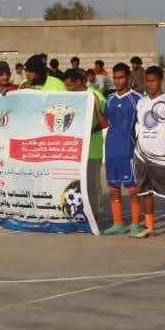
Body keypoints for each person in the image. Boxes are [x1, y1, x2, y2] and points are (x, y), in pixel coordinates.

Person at [132, 66, 165, 239]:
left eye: (153, 81)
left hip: (160, 156)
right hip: (141, 154)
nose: (150, 84)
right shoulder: (141, 102)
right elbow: (141, 126)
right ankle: (149, 226)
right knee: (145, 191)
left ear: (160, 81)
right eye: (147, 81)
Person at [101, 62, 142, 236]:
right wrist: (94, 106)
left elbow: (146, 125)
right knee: (113, 189)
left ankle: (135, 225)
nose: (117, 81)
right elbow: (104, 122)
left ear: (128, 77)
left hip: (128, 150)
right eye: (115, 78)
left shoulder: (137, 99)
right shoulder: (110, 99)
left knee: (132, 189)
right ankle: (118, 224)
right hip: (111, 149)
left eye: (121, 77)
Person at [64, 67, 107, 221]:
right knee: (75, 185)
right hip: (73, 149)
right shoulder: (70, 97)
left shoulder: (96, 97)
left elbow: (104, 123)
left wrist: (86, 133)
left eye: (69, 85)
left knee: (91, 185)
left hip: (91, 150)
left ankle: (94, 216)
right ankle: (77, 213)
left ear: (79, 82)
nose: (67, 89)